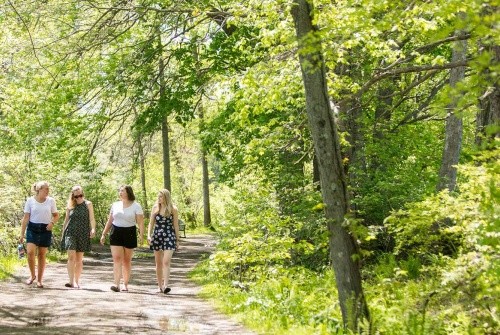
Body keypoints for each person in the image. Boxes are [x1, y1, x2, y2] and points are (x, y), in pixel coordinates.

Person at [100, 185, 144, 292]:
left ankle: (125, 284)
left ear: (128, 192)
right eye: (119, 191)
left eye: (122, 191)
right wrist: (103, 234)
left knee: (126, 260)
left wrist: (141, 235)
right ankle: (116, 284)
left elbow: (140, 222)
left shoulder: (136, 206)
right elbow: (110, 221)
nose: (120, 192)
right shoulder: (115, 205)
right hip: (116, 232)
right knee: (117, 259)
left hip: (130, 232)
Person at [19, 181, 59, 288]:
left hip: (46, 229)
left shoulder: (51, 201)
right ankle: (32, 276)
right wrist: (22, 234)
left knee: (42, 255)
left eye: (48, 189)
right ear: (39, 190)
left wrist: (52, 223)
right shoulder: (30, 201)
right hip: (32, 228)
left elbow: (56, 215)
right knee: (30, 252)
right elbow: (26, 217)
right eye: (46, 189)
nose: (47, 191)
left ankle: (40, 280)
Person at [61, 185, 96, 288]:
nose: (79, 198)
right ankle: (71, 281)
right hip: (70, 233)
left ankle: (76, 281)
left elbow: (92, 219)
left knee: (79, 259)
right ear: (73, 196)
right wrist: (63, 234)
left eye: (80, 195)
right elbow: (66, 221)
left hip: (83, 233)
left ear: (83, 194)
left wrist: (93, 229)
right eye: (76, 196)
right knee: (71, 256)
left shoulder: (88, 204)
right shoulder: (70, 206)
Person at [147, 189, 180, 294]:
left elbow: (175, 225)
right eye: (158, 196)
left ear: (166, 197)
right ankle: (159, 286)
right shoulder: (155, 208)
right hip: (157, 236)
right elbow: (151, 223)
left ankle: (166, 285)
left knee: (166, 261)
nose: (159, 198)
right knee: (158, 263)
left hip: (169, 236)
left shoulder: (173, 209)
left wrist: (177, 239)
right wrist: (148, 235)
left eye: (161, 196)